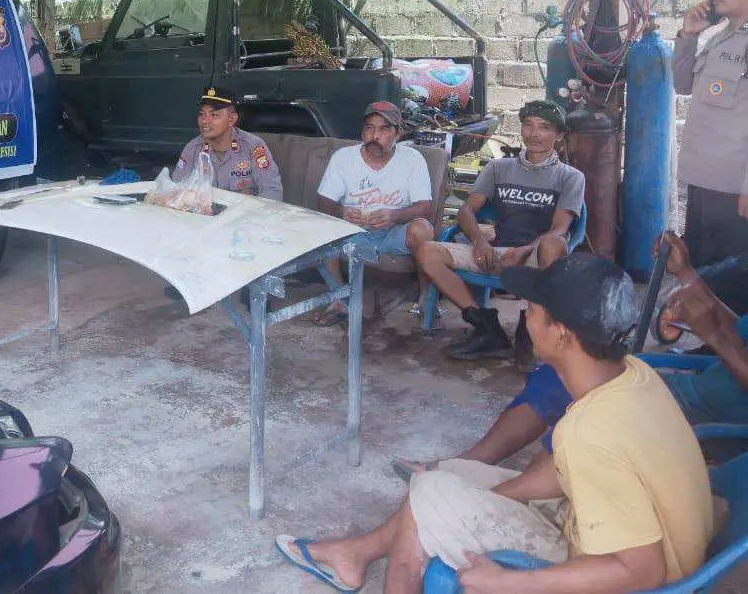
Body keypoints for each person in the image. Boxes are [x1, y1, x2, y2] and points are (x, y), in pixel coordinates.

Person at [276, 253, 714, 594]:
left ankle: (373, 564)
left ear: (561, 331)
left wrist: (511, 582)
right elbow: (563, 470)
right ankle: (360, 557)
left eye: (534, 308)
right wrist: (485, 495)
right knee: (444, 478)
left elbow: (643, 570)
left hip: (621, 570)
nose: (525, 312)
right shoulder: (630, 374)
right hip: (608, 526)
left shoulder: (590, 432)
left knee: (431, 492)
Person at [407, 234, 748, 476]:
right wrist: (686, 274)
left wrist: (714, 334)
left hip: (717, 423)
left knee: (585, 401)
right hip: (695, 391)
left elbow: (728, 339)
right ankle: (473, 465)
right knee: (562, 376)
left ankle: (509, 482)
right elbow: (741, 332)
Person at [414, 99, 585, 360]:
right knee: (427, 252)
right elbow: (466, 211)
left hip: (535, 255)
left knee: (553, 245)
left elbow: (559, 230)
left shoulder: (570, 177)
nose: (534, 134)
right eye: (528, 125)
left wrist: (524, 251)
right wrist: (480, 241)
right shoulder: (498, 168)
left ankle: (530, 328)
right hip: (494, 250)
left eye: (545, 128)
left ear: (559, 135)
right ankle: (486, 325)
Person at [313, 101, 434, 324]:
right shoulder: (343, 157)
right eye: (369, 128)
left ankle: (426, 297)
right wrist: (342, 211)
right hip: (356, 233)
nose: (374, 135)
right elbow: (324, 201)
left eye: (384, 129)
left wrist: (393, 216)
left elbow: (425, 208)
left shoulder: (412, 160)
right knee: (324, 227)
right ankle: (339, 300)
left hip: (394, 232)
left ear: (398, 133)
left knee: (423, 230)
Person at [674, 0, 748, 289]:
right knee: (702, 278)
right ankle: (707, 341)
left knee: (730, 287)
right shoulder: (720, 36)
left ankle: (727, 342)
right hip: (703, 183)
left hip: (734, 190)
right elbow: (682, 84)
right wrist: (688, 35)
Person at [171, 86, 282, 201]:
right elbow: (177, 190)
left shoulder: (252, 146)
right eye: (202, 114)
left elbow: (272, 191)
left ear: (232, 119)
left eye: (214, 115)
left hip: (245, 216)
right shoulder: (193, 149)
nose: (204, 121)